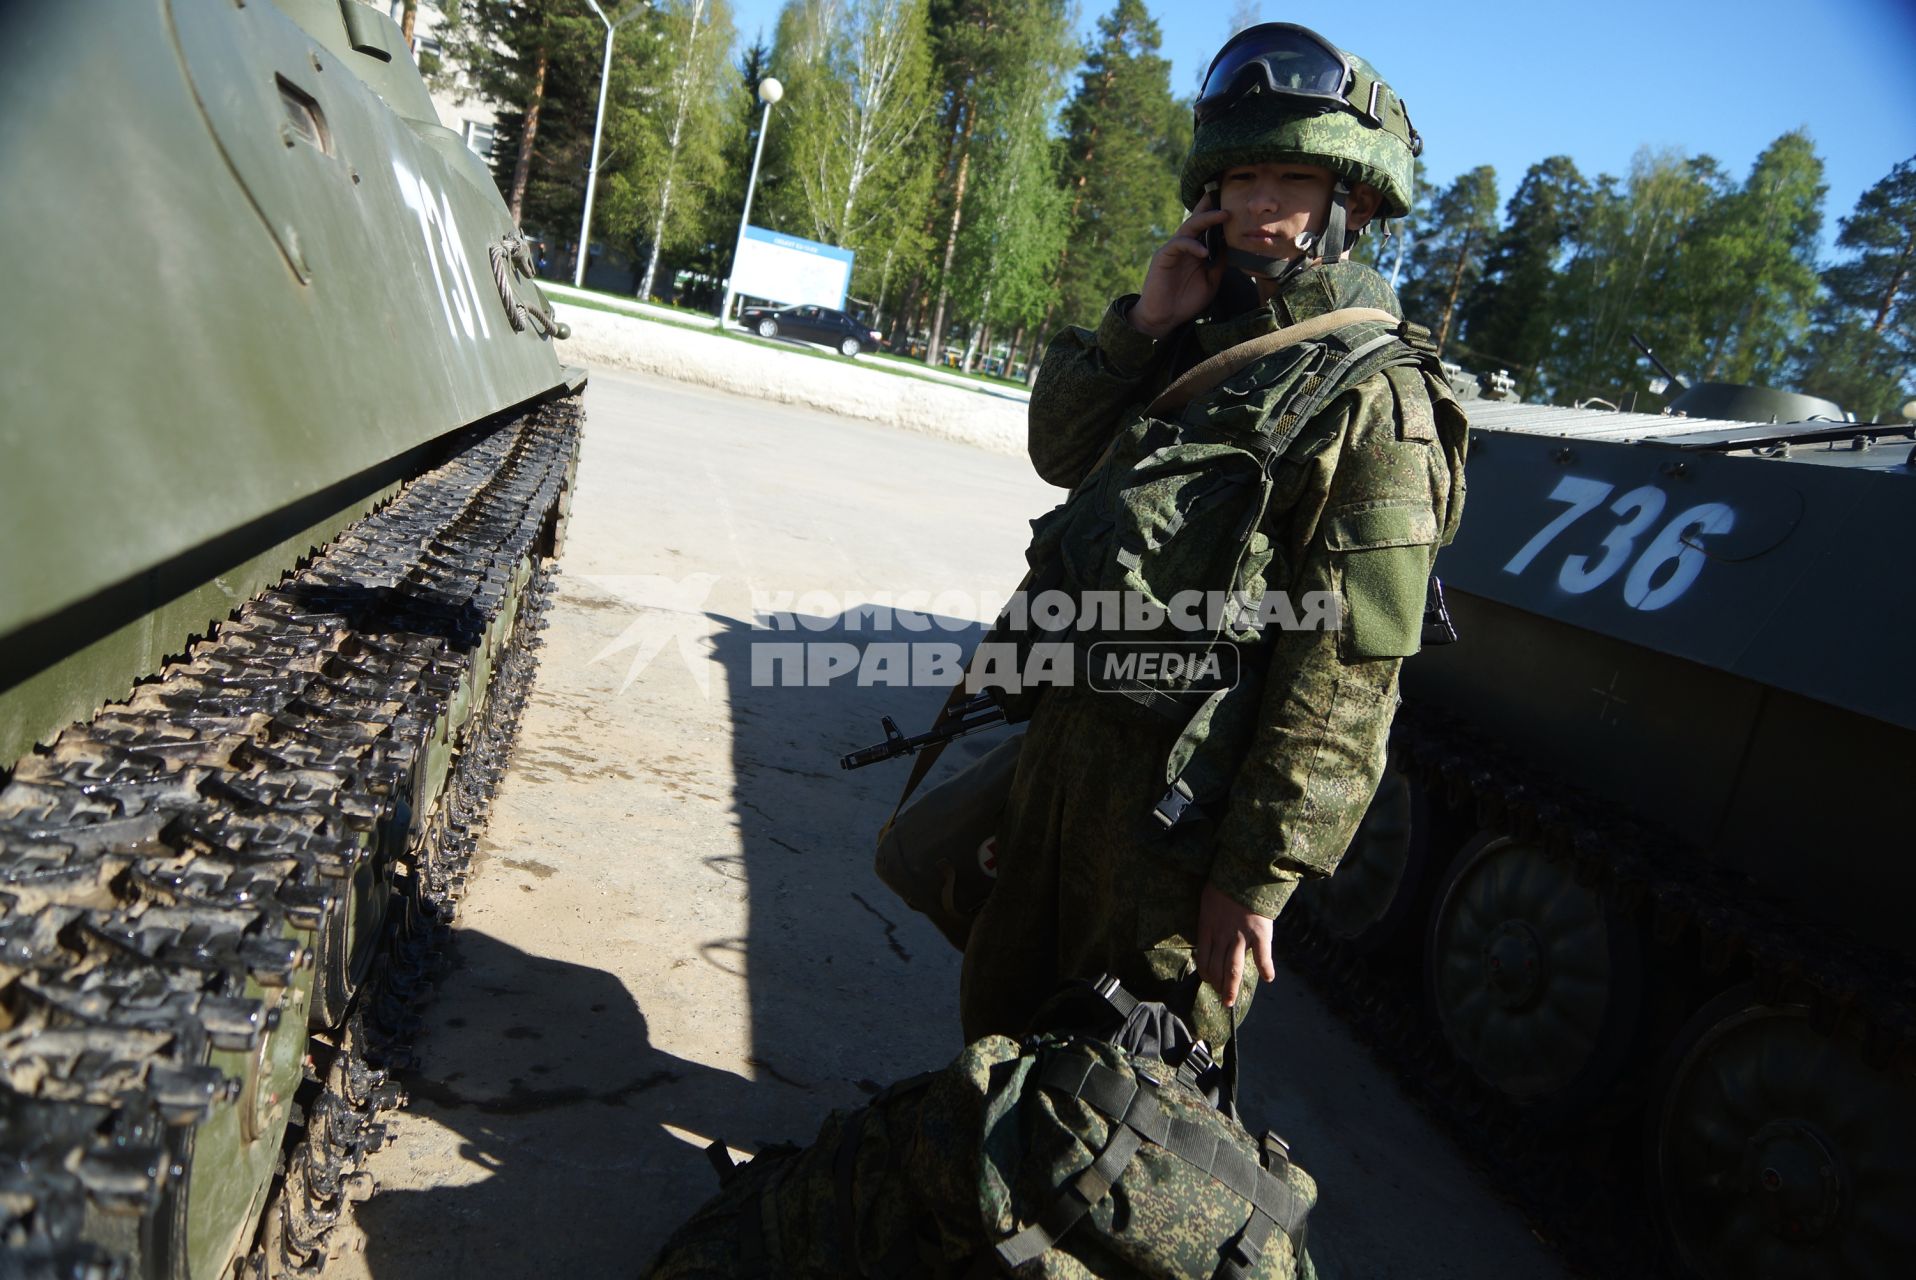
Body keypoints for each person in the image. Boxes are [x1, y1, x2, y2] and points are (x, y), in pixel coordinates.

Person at [959, 23, 1466, 1081]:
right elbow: (1059, 451)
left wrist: (1255, 874)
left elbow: (1346, 676)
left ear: (1354, 203)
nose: (1255, 204)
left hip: (1172, 835)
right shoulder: (1190, 339)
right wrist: (1141, 325)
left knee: (1116, 1102)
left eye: (1289, 178)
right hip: (1062, 763)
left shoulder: (1374, 400)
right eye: (1239, 175)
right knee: (994, 1027)